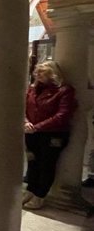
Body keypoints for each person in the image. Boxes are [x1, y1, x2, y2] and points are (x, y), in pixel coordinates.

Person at [23, 61, 77, 210]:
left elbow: (62, 115)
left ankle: (40, 195)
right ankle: (30, 190)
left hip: (52, 135)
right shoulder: (32, 89)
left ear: (52, 73)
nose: (37, 74)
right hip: (32, 132)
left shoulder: (64, 90)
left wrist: (37, 127)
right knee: (33, 162)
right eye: (37, 71)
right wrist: (26, 121)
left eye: (42, 71)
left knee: (47, 165)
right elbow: (24, 107)